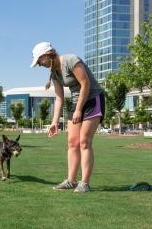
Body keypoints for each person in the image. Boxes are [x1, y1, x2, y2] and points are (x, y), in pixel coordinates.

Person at [30, 41, 105, 193]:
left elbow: (86, 84)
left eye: (40, 61)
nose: (40, 64)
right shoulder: (54, 73)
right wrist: (54, 122)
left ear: (46, 55)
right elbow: (59, 98)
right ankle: (71, 180)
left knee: (84, 141)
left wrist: (78, 109)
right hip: (77, 102)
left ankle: (84, 183)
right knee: (72, 142)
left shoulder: (71, 60)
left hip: (93, 100)